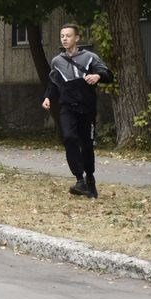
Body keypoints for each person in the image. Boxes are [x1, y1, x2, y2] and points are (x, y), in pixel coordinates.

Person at [42, 24, 113, 199]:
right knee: (69, 138)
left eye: (68, 36)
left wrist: (98, 76)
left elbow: (108, 75)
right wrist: (48, 97)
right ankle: (79, 179)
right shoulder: (57, 61)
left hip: (87, 108)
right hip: (66, 106)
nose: (64, 39)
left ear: (77, 38)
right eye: (62, 36)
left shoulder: (90, 57)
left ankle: (90, 180)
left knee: (87, 145)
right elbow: (53, 83)